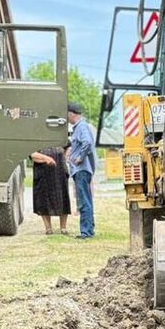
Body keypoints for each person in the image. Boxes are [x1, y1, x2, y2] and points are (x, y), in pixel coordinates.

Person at [66, 102, 97, 239]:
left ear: (71, 114)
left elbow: (87, 142)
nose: (67, 118)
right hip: (84, 169)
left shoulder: (81, 127)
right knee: (87, 200)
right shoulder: (82, 126)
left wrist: (80, 157)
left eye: (67, 115)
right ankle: (89, 229)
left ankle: (85, 232)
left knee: (83, 200)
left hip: (81, 169)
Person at [30, 146, 70, 235]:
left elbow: (69, 146)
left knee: (63, 200)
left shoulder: (60, 138)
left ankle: (63, 228)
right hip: (43, 174)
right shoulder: (36, 140)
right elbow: (32, 155)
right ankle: (48, 228)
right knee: (44, 200)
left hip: (59, 172)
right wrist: (46, 158)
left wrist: (65, 158)